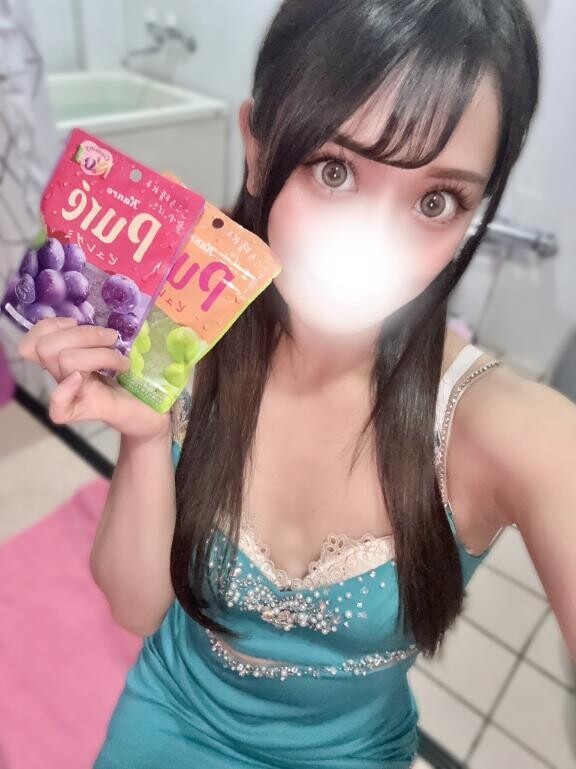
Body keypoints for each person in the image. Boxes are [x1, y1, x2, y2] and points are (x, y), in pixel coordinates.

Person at [18, 1, 576, 767]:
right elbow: (134, 606)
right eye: (334, 169)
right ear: (257, 147)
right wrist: (145, 433)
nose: (373, 245)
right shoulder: (185, 329)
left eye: (436, 201)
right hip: (173, 713)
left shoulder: (500, 427)